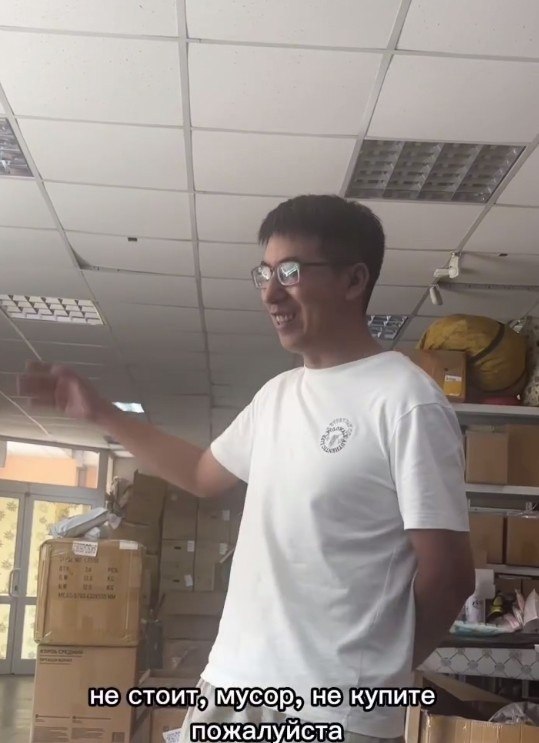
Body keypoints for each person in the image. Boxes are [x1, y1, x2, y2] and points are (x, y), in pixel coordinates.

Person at [20, 195, 475, 743]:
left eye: (291, 272)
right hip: (231, 688)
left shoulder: (405, 401)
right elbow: (201, 473)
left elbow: (449, 576)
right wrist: (101, 413)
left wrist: (375, 678)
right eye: (264, 272)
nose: (270, 292)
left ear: (354, 280)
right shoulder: (277, 395)